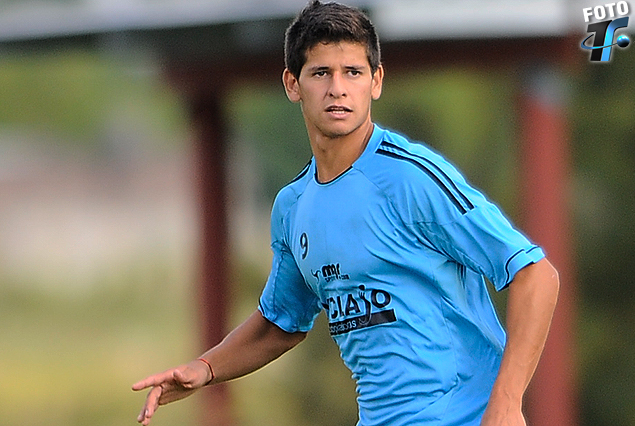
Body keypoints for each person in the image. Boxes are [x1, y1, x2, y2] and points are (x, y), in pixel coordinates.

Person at [132, 1, 560, 425]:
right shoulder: (293, 207)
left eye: (352, 72)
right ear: (293, 84)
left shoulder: (411, 179)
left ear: (376, 81)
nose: (337, 88)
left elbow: (535, 275)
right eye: (321, 73)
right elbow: (280, 322)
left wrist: (506, 404)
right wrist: (205, 368)